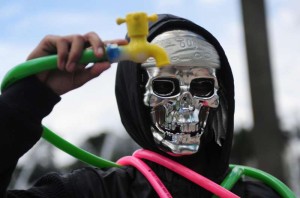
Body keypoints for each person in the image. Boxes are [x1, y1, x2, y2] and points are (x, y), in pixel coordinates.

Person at [0, 14, 280, 197]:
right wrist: (27, 98)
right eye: (165, 87)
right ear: (137, 99)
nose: (185, 106)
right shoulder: (93, 193)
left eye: (201, 87)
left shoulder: (263, 194)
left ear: (220, 98)